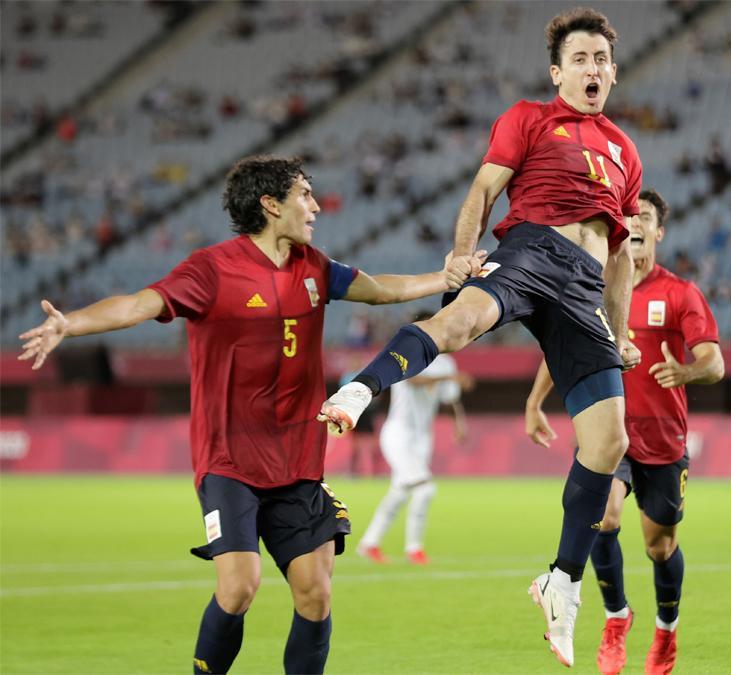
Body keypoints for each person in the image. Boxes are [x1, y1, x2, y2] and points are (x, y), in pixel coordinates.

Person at [17, 155, 466, 674]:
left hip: (298, 460)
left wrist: (444, 277)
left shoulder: (315, 267)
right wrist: (70, 324)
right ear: (270, 204)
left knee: (316, 595)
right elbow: (141, 304)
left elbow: (383, 289)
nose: (316, 206)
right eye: (304, 195)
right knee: (238, 586)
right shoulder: (211, 270)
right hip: (229, 460)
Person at [316, 8, 643, 667]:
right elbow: (483, 187)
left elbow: (623, 256)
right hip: (530, 250)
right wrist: (463, 253)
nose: (593, 69)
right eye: (580, 59)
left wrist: (622, 329)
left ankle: (563, 582)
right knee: (459, 324)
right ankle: (359, 389)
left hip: (584, 287)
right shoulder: (527, 116)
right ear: (559, 71)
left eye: (602, 60)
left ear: (613, 71)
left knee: (610, 441)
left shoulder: (626, 151)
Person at [525, 189, 723, 675]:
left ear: (659, 231)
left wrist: (686, 372)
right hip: (610, 431)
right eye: (629, 216)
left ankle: (667, 628)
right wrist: (534, 402)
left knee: (661, 546)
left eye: (646, 217)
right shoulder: (596, 287)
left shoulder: (680, 294)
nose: (635, 223)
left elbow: (714, 363)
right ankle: (616, 619)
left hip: (664, 439)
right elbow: (567, 349)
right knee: (605, 518)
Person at [357, 312, 473, 566]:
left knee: (400, 492)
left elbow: (450, 398)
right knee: (425, 488)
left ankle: (369, 544)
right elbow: (413, 381)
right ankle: (414, 549)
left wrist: (459, 423)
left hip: (422, 437)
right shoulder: (408, 353)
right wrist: (449, 378)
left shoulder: (446, 362)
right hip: (398, 433)